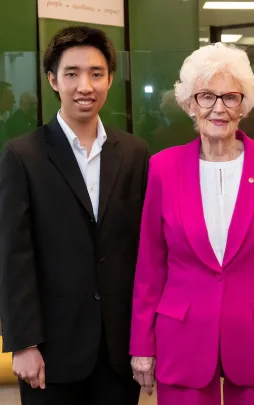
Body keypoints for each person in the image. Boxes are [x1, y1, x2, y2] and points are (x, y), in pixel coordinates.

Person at [130, 42, 254, 405]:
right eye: (206, 96)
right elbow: (150, 265)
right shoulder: (163, 168)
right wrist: (142, 343)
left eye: (230, 97)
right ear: (188, 103)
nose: (218, 108)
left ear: (243, 104)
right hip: (182, 333)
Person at [0, 26, 149, 405]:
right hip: (51, 350)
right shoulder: (22, 155)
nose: (86, 85)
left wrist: (145, 338)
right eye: (72, 74)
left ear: (110, 78)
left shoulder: (135, 153)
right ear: (53, 79)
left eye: (96, 73)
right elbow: (13, 254)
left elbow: (144, 250)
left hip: (119, 350)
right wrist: (23, 343)